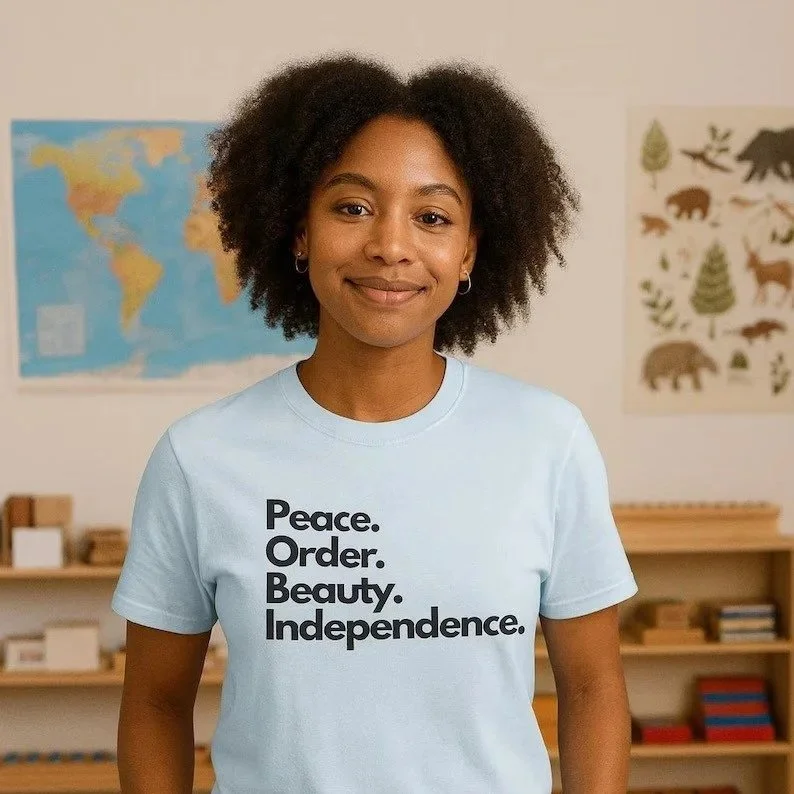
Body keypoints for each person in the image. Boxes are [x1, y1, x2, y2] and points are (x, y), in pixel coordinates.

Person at [111, 53, 638, 794]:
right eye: (352, 207)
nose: (391, 246)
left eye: (432, 217)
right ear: (299, 231)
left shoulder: (548, 441)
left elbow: (592, 688)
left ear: (468, 252)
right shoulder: (200, 457)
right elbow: (155, 703)